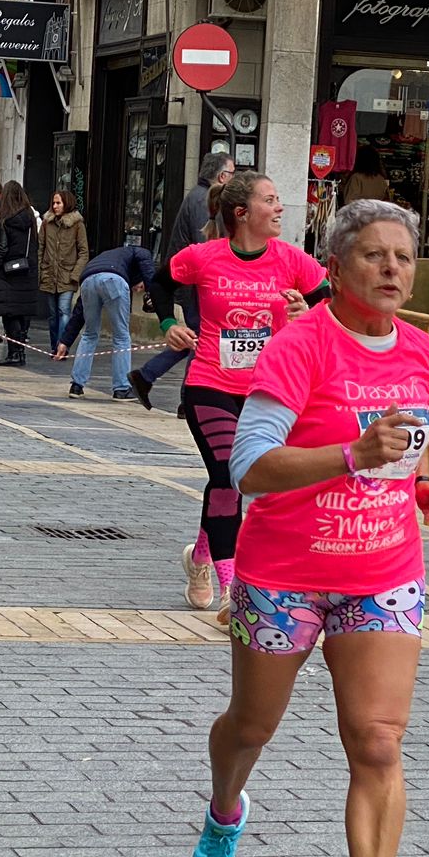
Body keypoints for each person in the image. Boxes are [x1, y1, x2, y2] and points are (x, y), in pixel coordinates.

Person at [189, 198, 429, 857]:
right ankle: (224, 813)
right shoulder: (299, 347)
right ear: (334, 268)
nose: (392, 271)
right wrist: (350, 456)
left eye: (403, 258)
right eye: (373, 256)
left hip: (383, 574)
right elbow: (249, 466)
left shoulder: (422, 354)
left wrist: (420, 494)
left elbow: (399, 461)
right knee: (250, 727)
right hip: (285, 575)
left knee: (377, 740)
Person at [153, 171, 328, 619]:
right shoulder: (203, 257)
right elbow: (158, 282)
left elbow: (332, 303)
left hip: (271, 390)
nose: (280, 208)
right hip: (210, 383)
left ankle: (199, 559)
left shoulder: (292, 259)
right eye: (271, 200)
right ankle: (233, 590)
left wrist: (307, 312)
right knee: (230, 474)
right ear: (241, 213)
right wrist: (169, 325)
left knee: (226, 483)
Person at [132, 150, 235, 410]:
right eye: (233, 175)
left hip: (189, 282)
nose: (234, 179)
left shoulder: (197, 196)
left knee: (195, 338)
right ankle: (186, 398)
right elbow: (206, 244)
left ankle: (146, 376)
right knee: (200, 338)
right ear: (222, 176)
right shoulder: (203, 201)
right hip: (192, 283)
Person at [55, 233, 153, 400]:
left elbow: (80, 310)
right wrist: (153, 294)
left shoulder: (110, 257)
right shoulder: (140, 252)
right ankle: (121, 388)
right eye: (140, 286)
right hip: (113, 280)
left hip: (87, 280)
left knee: (89, 334)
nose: (138, 290)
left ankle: (76, 385)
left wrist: (65, 341)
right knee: (122, 336)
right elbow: (150, 273)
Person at [0, 179, 40, 366]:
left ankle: (14, 353)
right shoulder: (30, 217)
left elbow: (2, 247)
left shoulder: (4, 219)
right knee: (21, 311)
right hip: (27, 268)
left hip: (8, 270)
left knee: (9, 312)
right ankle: (20, 352)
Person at [38, 187, 87, 347]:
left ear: (67, 203)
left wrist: (76, 273)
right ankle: (54, 345)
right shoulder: (47, 223)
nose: (55, 206)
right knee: (52, 315)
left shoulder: (77, 225)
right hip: (49, 274)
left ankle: (62, 346)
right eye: (53, 203)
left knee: (64, 311)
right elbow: (40, 247)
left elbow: (83, 251)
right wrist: (40, 270)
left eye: (58, 203)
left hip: (67, 274)